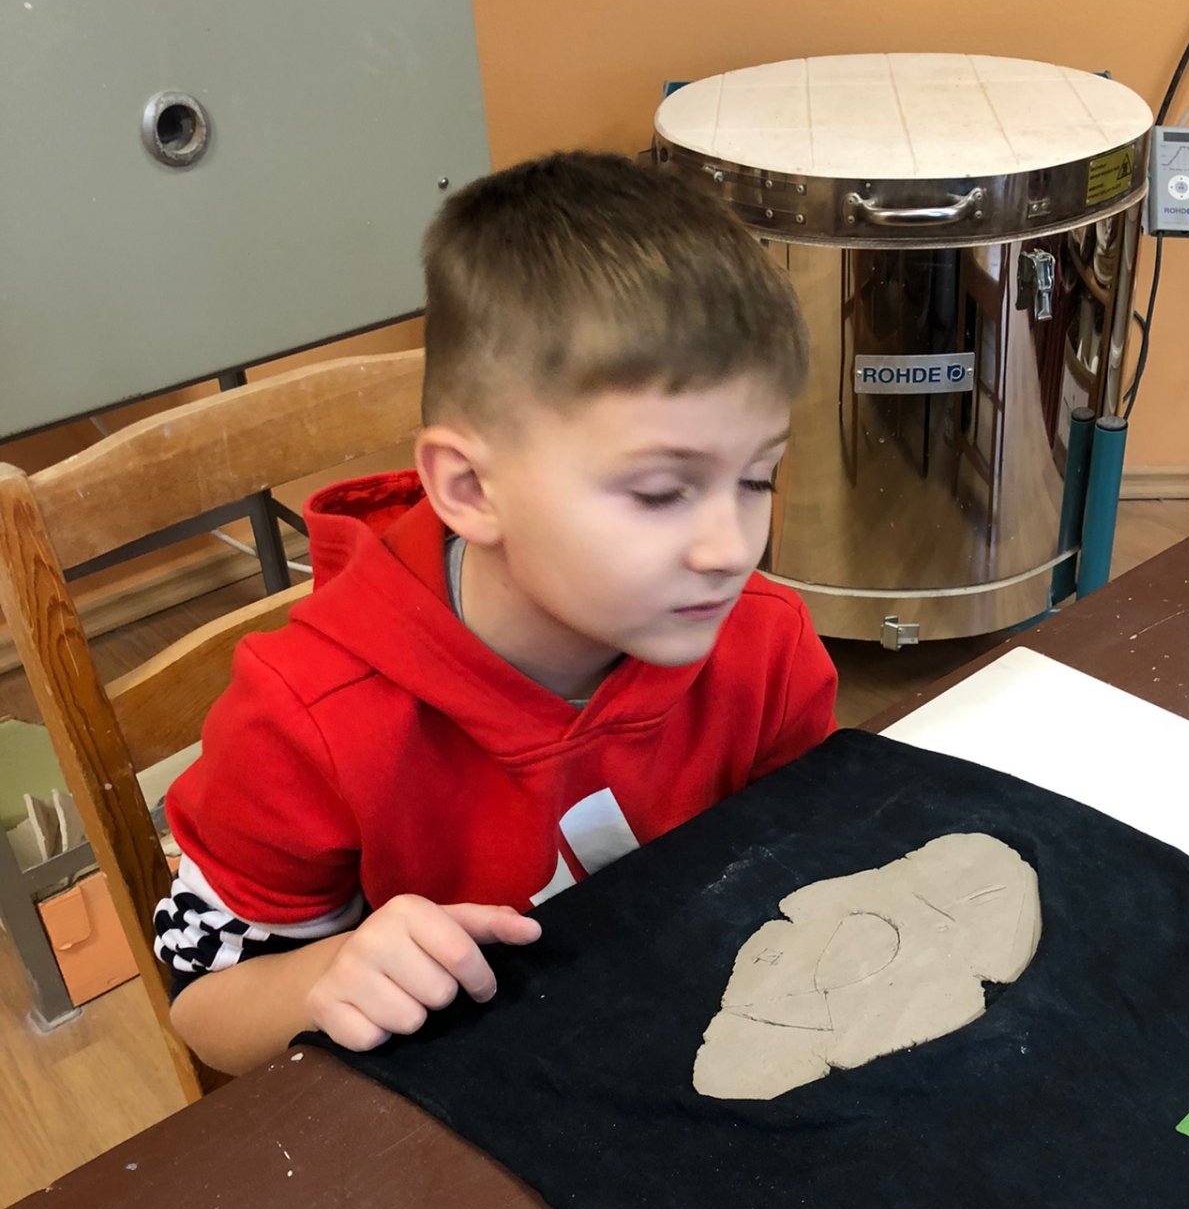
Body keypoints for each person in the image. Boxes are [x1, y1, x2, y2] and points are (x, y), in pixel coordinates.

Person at [155, 151, 837, 1075]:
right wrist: (323, 979)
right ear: (472, 489)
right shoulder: (305, 722)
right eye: (660, 491)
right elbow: (207, 1010)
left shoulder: (766, 642)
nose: (731, 546)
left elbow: (803, 859)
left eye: (757, 477)